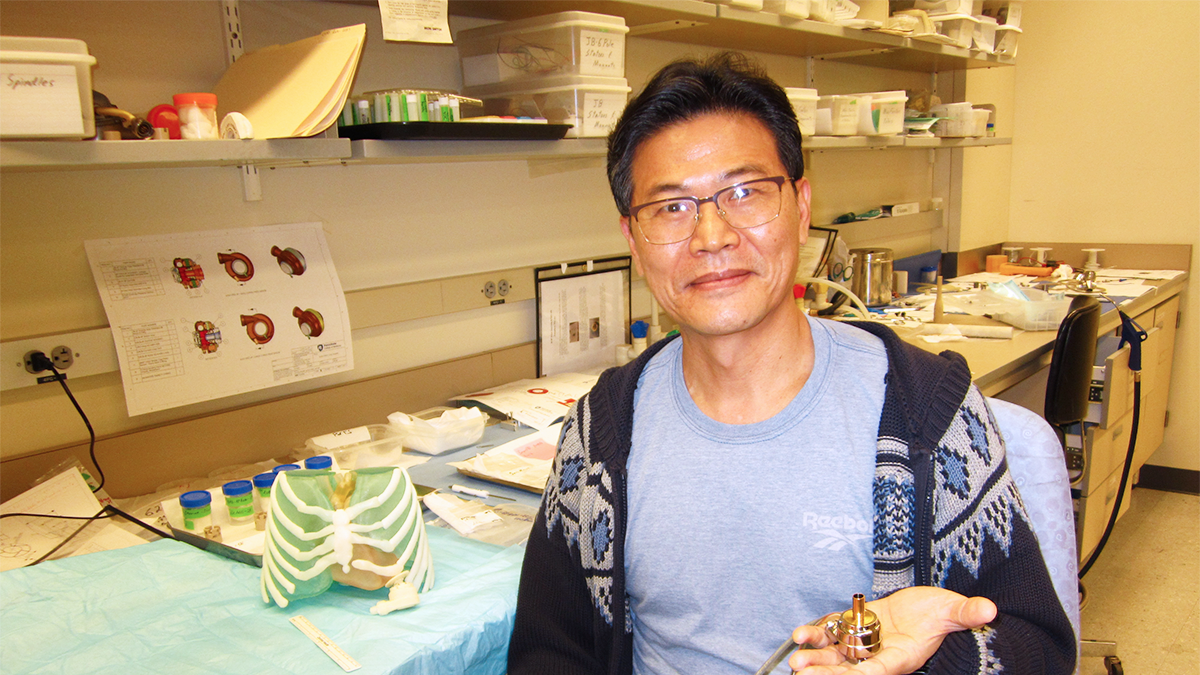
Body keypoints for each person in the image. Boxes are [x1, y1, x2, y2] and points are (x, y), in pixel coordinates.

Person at [508, 52, 1076, 675]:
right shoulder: (603, 432)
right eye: (671, 208)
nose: (711, 236)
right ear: (633, 240)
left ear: (802, 207)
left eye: (745, 192)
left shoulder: (924, 410)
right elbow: (548, 653)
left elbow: (1038, 647)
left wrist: (918, 666)